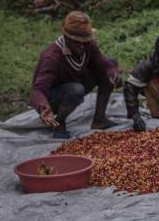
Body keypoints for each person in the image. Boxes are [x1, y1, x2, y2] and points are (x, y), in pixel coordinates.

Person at [30, 11, 121, 139]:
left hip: (76, 83)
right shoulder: (52, 57)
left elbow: (104, 64)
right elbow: (38, 90)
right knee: (76, 89)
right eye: (77, 42)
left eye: (85, 41)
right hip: (54, 98)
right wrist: (43, 107)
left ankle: (100, 119)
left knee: (110, 64)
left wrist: (113, 73)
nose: (82, 46)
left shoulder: (88, 45)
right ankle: (59, 123)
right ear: (67, 38)